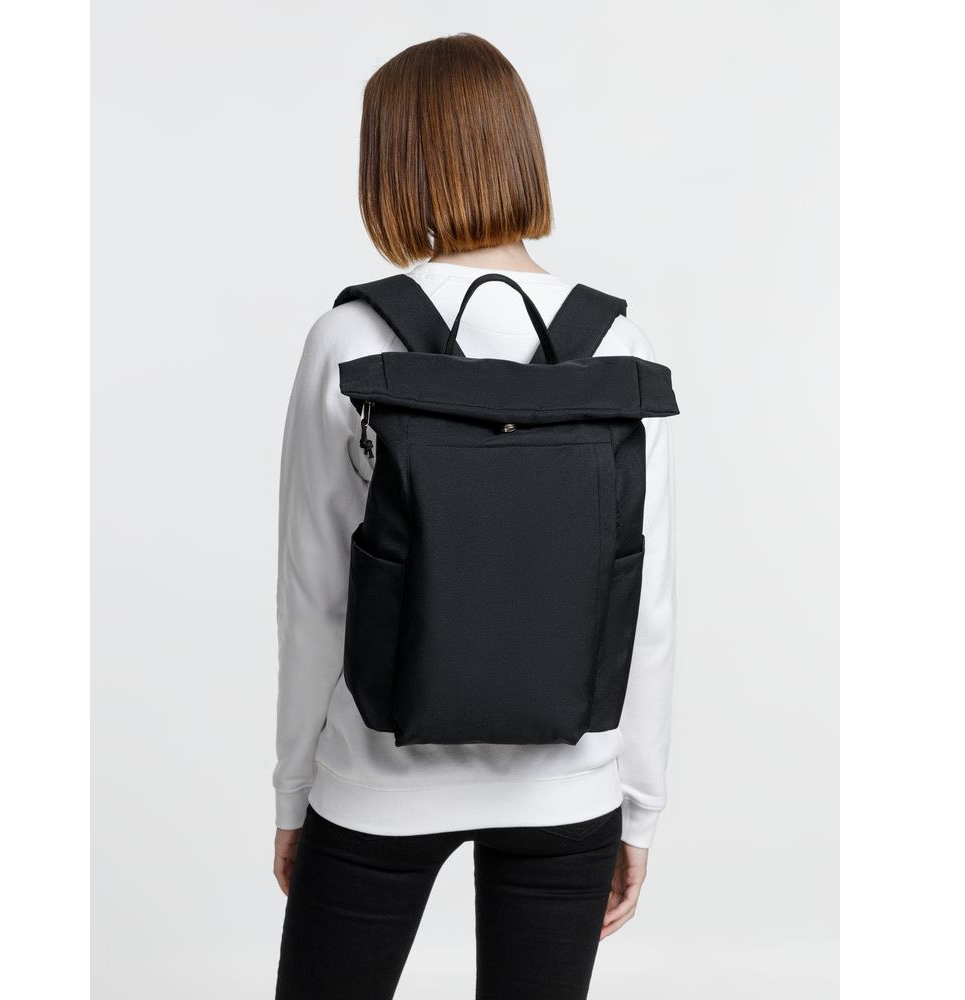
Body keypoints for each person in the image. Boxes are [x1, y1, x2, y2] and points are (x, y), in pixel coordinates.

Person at [272, 33, 676, 1000]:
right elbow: (647, 601)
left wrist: (293, 791)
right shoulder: (617, 343)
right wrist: (640, 807)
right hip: (569, 789)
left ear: (393, 165)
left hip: (377, 782)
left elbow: (314, 594)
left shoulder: (351, 337)